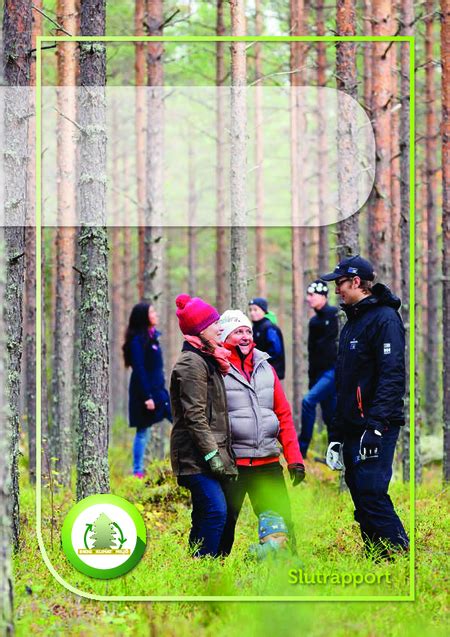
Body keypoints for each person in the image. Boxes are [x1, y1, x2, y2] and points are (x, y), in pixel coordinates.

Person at [321, 255, 409, 558]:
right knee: (359, 489)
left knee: (371, 489)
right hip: (352, 425)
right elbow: (344, 384)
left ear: (356, 282)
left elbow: (392, 374)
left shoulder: (384, 319)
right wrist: (335, 433)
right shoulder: (352, 324)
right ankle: (376, 556)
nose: (336, 290)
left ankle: (398, 555)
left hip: (377, 424)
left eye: (340, 283)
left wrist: (376, 425)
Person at [217, 309, 305, 556]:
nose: (244, 336)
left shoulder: (266, 367)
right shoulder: (217, 370)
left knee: (283, 525)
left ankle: (287, 574)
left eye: (247, 331)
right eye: (237, 332)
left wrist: (294, 459)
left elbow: (283, 415)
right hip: (234, 465)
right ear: (224, 335)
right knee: (223, 527)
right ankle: (211, 576)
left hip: (268, 463)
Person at [169, 294, 238, 558]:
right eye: (215, 323)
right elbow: (194, 415)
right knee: (215, 511)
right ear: (200, 330)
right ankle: (203, 572)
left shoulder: (208, 359)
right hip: (194, 456)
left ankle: (197, 570)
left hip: (209, 454)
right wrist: (212, 455)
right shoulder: (191, 363)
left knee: (207, 513)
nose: (220, 328)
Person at [123, 302, 172, 478]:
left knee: (179, 419)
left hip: (159, 391)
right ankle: (137, 471)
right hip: (145, 393)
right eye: (152, 311)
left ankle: (191, 460)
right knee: (143, 431)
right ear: (144, 317)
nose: (156, 314)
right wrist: (147, 397)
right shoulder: (137, 341)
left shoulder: (153, 338)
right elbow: (139, 368)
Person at [299, 280, 339, 458]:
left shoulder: (336, 314)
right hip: (319, 374)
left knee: (308, 401)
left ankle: (301, 451)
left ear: (323, 295)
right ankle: (333, 457)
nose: (308, 299)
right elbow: (312, 352)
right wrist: (312, 377)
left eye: (311, 295)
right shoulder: (314, 321)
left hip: (333, 372)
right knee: (330, 416)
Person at [248, 297, 286, 379]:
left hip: (271, 371)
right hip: (260, 371)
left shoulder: (269, 327)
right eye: (250, 310)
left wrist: (262, 361)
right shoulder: (255, 327)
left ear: (263, 311)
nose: (252, 313)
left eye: (255, 310)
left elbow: (276, 350)